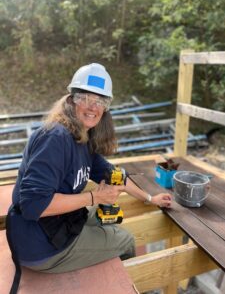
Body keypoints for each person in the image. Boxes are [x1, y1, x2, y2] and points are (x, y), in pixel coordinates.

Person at [7, 63, 172, 279]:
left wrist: (150, 198)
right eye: (85, 98)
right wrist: (94, 196)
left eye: (100, 101)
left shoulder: (81, 138)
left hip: (57, 225)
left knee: (108, 219)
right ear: (71, 99)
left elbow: (115, 175)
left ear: (106, 108)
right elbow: (33, 205)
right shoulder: (55, 139)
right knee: (126, 240)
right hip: (40, 246)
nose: (93, 106)